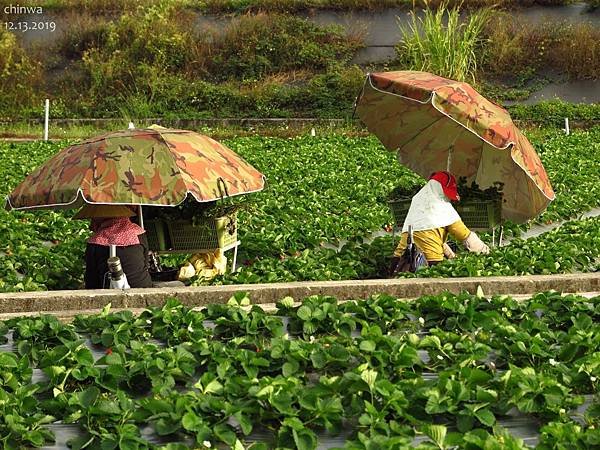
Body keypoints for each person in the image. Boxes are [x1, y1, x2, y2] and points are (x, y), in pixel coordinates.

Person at [391, 171, 490, 270]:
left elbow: (432, 237)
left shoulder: (417, 200)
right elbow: (465, 235)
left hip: (400, 261)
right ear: (440, 189)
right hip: (428, 262)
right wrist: (485, 251)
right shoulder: (442, 207)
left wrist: (452, 256)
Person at [74, 204, 153, 289]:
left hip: (108, 292)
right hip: (143, 287)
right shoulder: (138, 233)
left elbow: (92, 279)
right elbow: (145, 263)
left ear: (100, 217)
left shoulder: (95, 241)